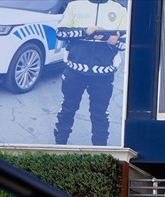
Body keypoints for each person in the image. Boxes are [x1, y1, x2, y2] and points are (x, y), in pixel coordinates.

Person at [54, 0, 128, 147]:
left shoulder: (119, 10)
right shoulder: (74, 6)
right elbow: (60, 33)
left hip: (103, 75)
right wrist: (85, 32)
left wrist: (108, 38)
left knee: (100, 114)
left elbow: (126, 43)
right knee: (67, 109)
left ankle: (100, 153)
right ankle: (59, 148)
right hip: (74, 71)